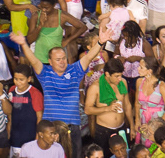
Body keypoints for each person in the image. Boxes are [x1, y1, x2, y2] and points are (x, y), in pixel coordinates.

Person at [12, 25, 113, 158]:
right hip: (52, 130)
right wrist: (24, 44)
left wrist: (100, 42)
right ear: (50, 62)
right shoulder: (45, 73)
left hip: (72, 128)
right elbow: (33, 60)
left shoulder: (75, 70)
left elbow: (88, 57)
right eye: (58, 59)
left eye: (64, 58)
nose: (62, 62)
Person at [84, 59, 135, 155]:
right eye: (116, 76)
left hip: (121, 128)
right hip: (103, 131)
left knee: (124, 155)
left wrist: (132, 126)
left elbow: (127, 105)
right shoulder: (95, 87)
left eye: (121, 75)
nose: (119, 79)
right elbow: (87, 110)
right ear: (107, 74)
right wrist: (108, 108)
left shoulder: (123, 82)